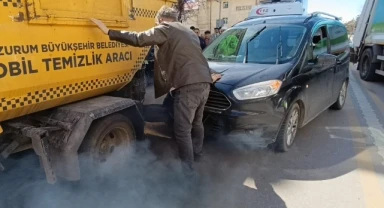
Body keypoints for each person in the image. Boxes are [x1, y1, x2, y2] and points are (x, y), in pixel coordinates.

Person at [90, 6, 221, 173]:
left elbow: (139, 38)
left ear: (160, 20)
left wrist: (109, 31)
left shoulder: (165, 28)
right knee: (196, 123)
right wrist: (210, 74)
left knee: (182, 130)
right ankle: (198, 153)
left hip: (189, 87)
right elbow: (196, 57)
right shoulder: (189, 32)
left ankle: (188, 171)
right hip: (204, 83)